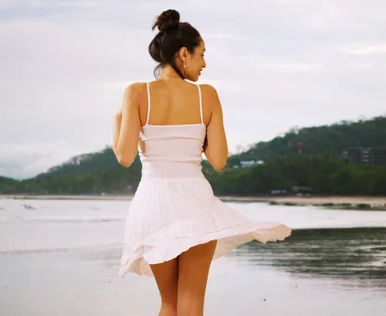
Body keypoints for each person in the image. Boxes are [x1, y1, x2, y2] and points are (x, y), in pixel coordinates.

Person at [112, 9, 292, 316]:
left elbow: (124, 157)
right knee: (191, 303)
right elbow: (219, 160)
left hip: (152, 204)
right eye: (202, 54)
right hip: (194, 202)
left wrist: (118, 121)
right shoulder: (206, 96)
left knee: (168, 304)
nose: (205, 63)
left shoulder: (137, 93)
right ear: (184, 54)